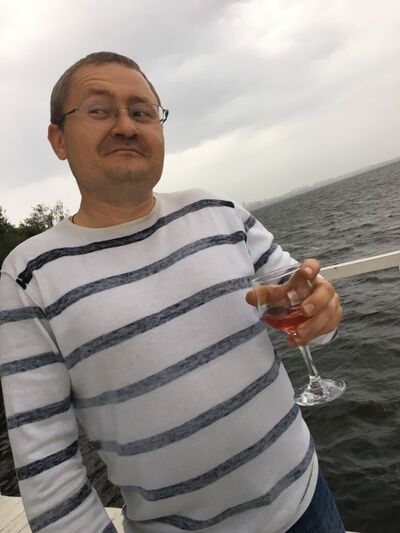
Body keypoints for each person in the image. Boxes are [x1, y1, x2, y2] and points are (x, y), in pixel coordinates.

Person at [0, 52, 345, 533]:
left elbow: (301, 303)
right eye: (99, 109)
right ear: (58, 139)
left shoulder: (221, 212)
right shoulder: (29, 275)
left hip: (308, 502)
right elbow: (47, 465)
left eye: (142, 112)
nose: (126, 126)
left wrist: (321, 310)